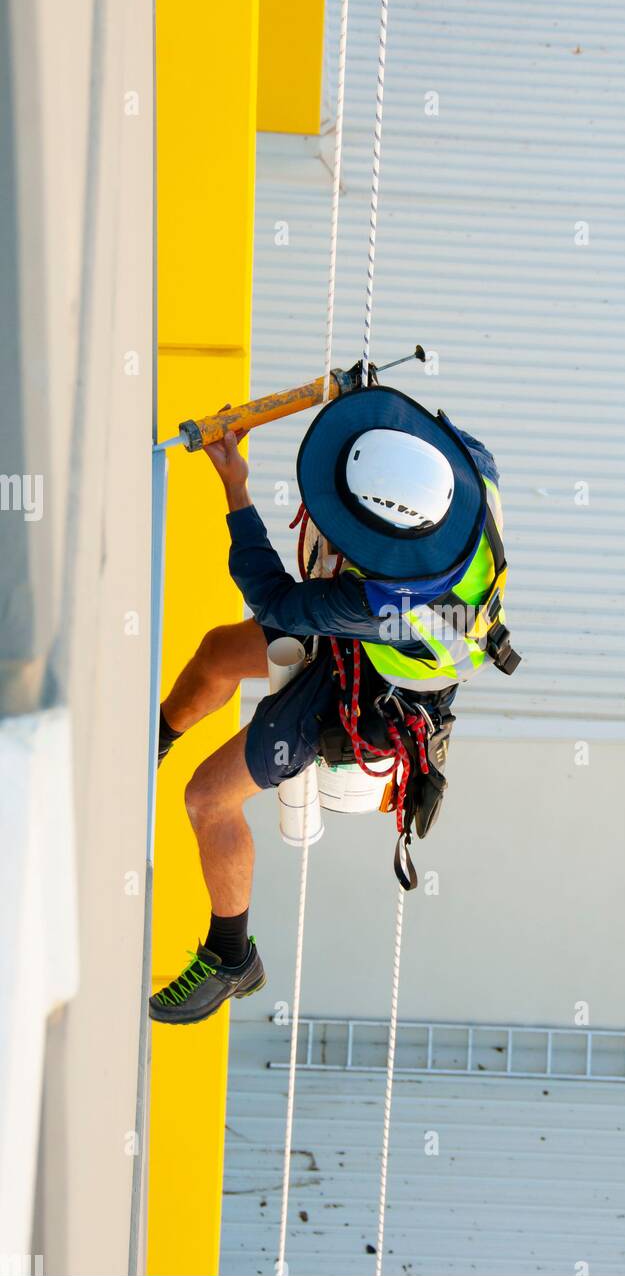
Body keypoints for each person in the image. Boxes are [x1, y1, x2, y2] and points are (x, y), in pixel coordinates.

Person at [149, 386, 518, 1025]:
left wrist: (235, 485)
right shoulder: (470, 472)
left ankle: (232, 954)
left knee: (208, 797)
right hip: (390, 638)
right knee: (216, 654)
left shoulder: (375, 600)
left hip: (373, 690)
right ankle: (151, 741)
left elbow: (272, 600)